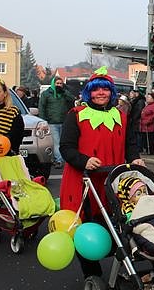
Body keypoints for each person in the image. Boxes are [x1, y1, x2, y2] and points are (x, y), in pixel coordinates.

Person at [58, 68, 144, 277]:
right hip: (83, 182)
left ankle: (124, 270)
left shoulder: (121, 116)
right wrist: (85, 161)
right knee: (85, 229)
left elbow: (130, 143)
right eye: (96, 90)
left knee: (119, 226)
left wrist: (135, 158)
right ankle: (92, 276)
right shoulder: (76, 115)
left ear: (111, 92)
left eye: (105, 89)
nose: (101, 93)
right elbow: (66, 147)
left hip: (112, 179)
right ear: (89, 92)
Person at [38, 75, 77, 168]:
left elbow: (72, 99)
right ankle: (59, 160)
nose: (59, 85)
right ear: (53, 84)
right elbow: (42, 107)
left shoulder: (64, 93)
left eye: (60, 83)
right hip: (52, 122)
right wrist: (43, 121)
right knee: (56, 142)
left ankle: (63, 159)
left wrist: (64, 91)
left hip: (64, 121)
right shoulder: (46, 94)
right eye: (57, 83)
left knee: (64, 142)